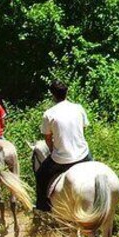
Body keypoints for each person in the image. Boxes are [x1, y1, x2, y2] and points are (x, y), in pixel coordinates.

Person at [34, 80, 93, 211]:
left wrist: (52, 151)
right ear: (67, 92)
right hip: (83, 154)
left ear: (52, 95)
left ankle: (43, 206)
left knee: (41, 176)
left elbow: (48, 139)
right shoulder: (79, 108)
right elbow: (83, 131)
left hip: (61, 159)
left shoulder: (49, 114)